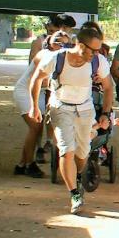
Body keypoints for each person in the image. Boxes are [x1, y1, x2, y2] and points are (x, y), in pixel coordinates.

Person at [29, 26, 113, 214]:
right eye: (92, 49)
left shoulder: (98, 62)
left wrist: (105, 113)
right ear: (79, 44)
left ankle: (78, 175)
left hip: (85, 109)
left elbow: (108, 88)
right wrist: (34, 106)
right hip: (60, 107)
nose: (95, 54)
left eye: (98, 50)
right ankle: (74, 193)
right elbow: (36, 80)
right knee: (67, 151)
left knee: (81, 154)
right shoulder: (57, 58)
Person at [14, 32, 72, 178]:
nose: (60, 45)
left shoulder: (63, 58)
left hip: (38, 93)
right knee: (35, 126)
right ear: (50, 42)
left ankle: (22, 164)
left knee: (36, 128)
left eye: (64, 43)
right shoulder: (44, 54)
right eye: (57, 41)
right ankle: (29, 164)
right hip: (25, 90)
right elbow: (42, 81)